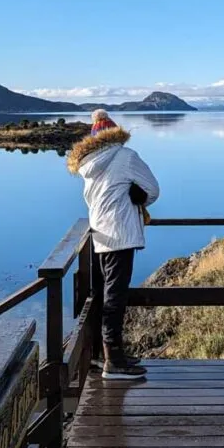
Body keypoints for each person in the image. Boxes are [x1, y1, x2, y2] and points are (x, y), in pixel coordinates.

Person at [67, 110, 160, 379]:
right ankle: (115, 361)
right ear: (115, 134)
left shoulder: (87, 164)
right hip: (120, 235)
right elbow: (153, 189)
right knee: (115, 298)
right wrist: (138, 195)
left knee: (100, 294)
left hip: (99, 236)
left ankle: (98, 354)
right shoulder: (125, 156)